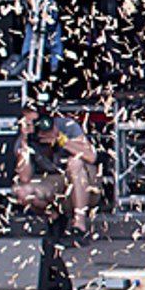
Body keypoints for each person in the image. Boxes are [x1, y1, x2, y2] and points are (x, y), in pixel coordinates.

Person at [13, 99, 98, 237]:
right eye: (30, 122)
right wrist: (25, 142)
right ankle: (55, 216)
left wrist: (61, 139)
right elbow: (24, 178)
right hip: (53, 181)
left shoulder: (66, 126)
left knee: (74, 162)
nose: (38, 126)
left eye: (38, 121)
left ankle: (79, 225)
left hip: (83, 180)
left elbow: (91, 156)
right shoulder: (25, 139)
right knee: (22, 191)